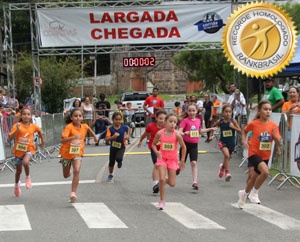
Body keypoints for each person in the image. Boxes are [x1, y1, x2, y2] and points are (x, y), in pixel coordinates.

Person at [238, 100, 281, 208]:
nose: (268, 112)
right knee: (265, 172)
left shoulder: (273, 126)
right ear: (260, 111)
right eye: (265, 109)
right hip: (254, 153)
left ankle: (244, 194)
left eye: (270, 110)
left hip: (265, 155)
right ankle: (254, 192)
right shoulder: (254, 123)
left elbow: (279, 141)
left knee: (254, 177)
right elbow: (244, 131)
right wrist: (244, 141)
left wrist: (276, 139)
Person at [59, 108, 98, 203]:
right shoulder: (69, 127)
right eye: (75, 116)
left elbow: (88, 128)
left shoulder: (84, 126)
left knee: (77, 170)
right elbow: (62, 140)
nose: (78, 118)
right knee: (66, 175)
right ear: (71, 117)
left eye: (80, 116)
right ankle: (68, 172)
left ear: (82, 117)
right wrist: (73, 137)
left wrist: (95, 136)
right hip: (67, 153)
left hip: (77, 152)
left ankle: (73, 193)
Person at [152, 113, 186, 210]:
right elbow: (154, 144)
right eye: (170, 121)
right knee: (162, 179)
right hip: (162, 159)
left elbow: (183, 147)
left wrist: (182, 160)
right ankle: (162, 201)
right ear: (166, 122)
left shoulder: (177, 134)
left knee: (172, 184)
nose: (172, 124)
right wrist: (157, 152)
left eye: (175, 122)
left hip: (172, 160)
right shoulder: (160, 133)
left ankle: (163, 181)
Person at [179, 104, 217, 190]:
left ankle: (195, 182)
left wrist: (210, 129)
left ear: (197, 111)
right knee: (181, 164)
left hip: (194, 145)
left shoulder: (198, 120)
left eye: (193, 110)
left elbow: (200, 131)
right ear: (187, 112)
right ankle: (176, 170)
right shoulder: (185, 121)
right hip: (185, 145)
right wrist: (184, 133)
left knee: (194, 163)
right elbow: (180, 131)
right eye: (190, 111)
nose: (192, 112)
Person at [9, 107, 45, 197]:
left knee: (25, 162)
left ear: (31, 116)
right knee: (18, 171)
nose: (26, 116)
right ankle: (16, 186)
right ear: (21, 116)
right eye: (24, 114)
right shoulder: (17, 125)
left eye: (28, 114)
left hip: (29, 149)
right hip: (18, 151)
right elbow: (10, 138)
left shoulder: (33, 126)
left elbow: (40, 132)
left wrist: (42, 141)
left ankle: (28, 177)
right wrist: (17, 130)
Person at [138, 110, 167, 193]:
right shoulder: (151, 126)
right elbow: (145, 134)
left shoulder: (166, 127)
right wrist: (140, 141)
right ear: (156, 118)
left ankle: (163, 180)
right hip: (154, 148)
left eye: (164, 119)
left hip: (164, 149)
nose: (162, 120)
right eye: (160, 118)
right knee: (156, 165)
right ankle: (155, 184)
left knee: (164, 166)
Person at [213, 105, 241, 182]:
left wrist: (233, 127)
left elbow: (240, 131)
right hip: (223, 142)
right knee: (227, 155)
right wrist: (210, 135)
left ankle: (222, 167)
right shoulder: (221, 121)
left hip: (231, 143)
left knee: (227, 158)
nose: (228, 113)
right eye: (226, 112)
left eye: (229, 112)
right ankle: (227, 173)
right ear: (223, 112)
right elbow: (213, 126)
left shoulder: (233, 121)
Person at [105, 112, 129, 183]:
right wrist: (113, 137)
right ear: (113, 120)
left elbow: (128, 134)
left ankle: (119, 161)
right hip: (113, 147)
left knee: (118, 158)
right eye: (116, 119)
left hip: (121, 146)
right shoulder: (110, 129)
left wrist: (127, 137)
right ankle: (110, 174)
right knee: (111, 162)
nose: (118, 121)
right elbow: (106, 139)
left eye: (119, 119)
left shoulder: (124, 127)